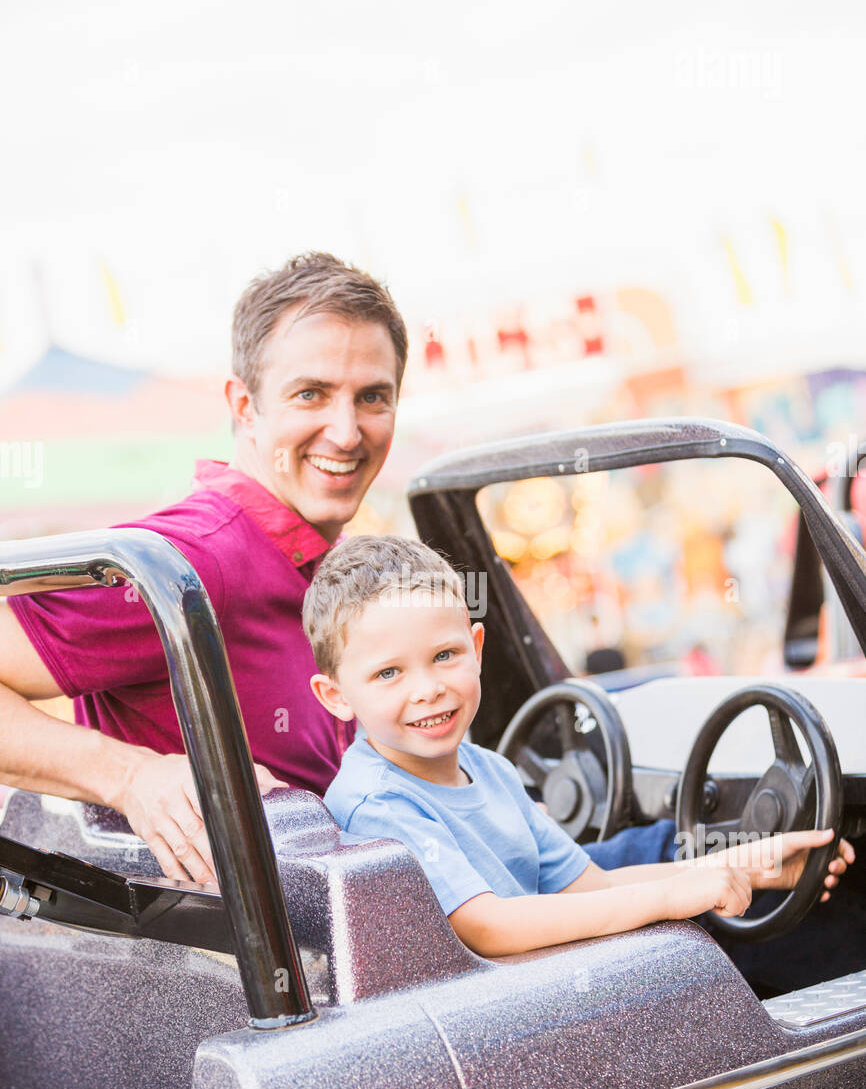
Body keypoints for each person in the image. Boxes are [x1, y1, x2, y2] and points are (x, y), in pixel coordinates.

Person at [0, 252, 408, 885]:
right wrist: (131, 776)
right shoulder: (193, 560)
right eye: (311, 394)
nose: (348, 432)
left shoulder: (328, 567)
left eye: (372, 397)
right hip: (218, 969)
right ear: (244, 407)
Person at [304, 535, 853, 957]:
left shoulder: (489, 770)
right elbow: (487, 927)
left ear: (476, 647)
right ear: (336, 696)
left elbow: (591, 885)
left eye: (444, 655)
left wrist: (746, 866)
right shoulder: (376, 804)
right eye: (388, 674)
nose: (427, 689)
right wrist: (665, 900)